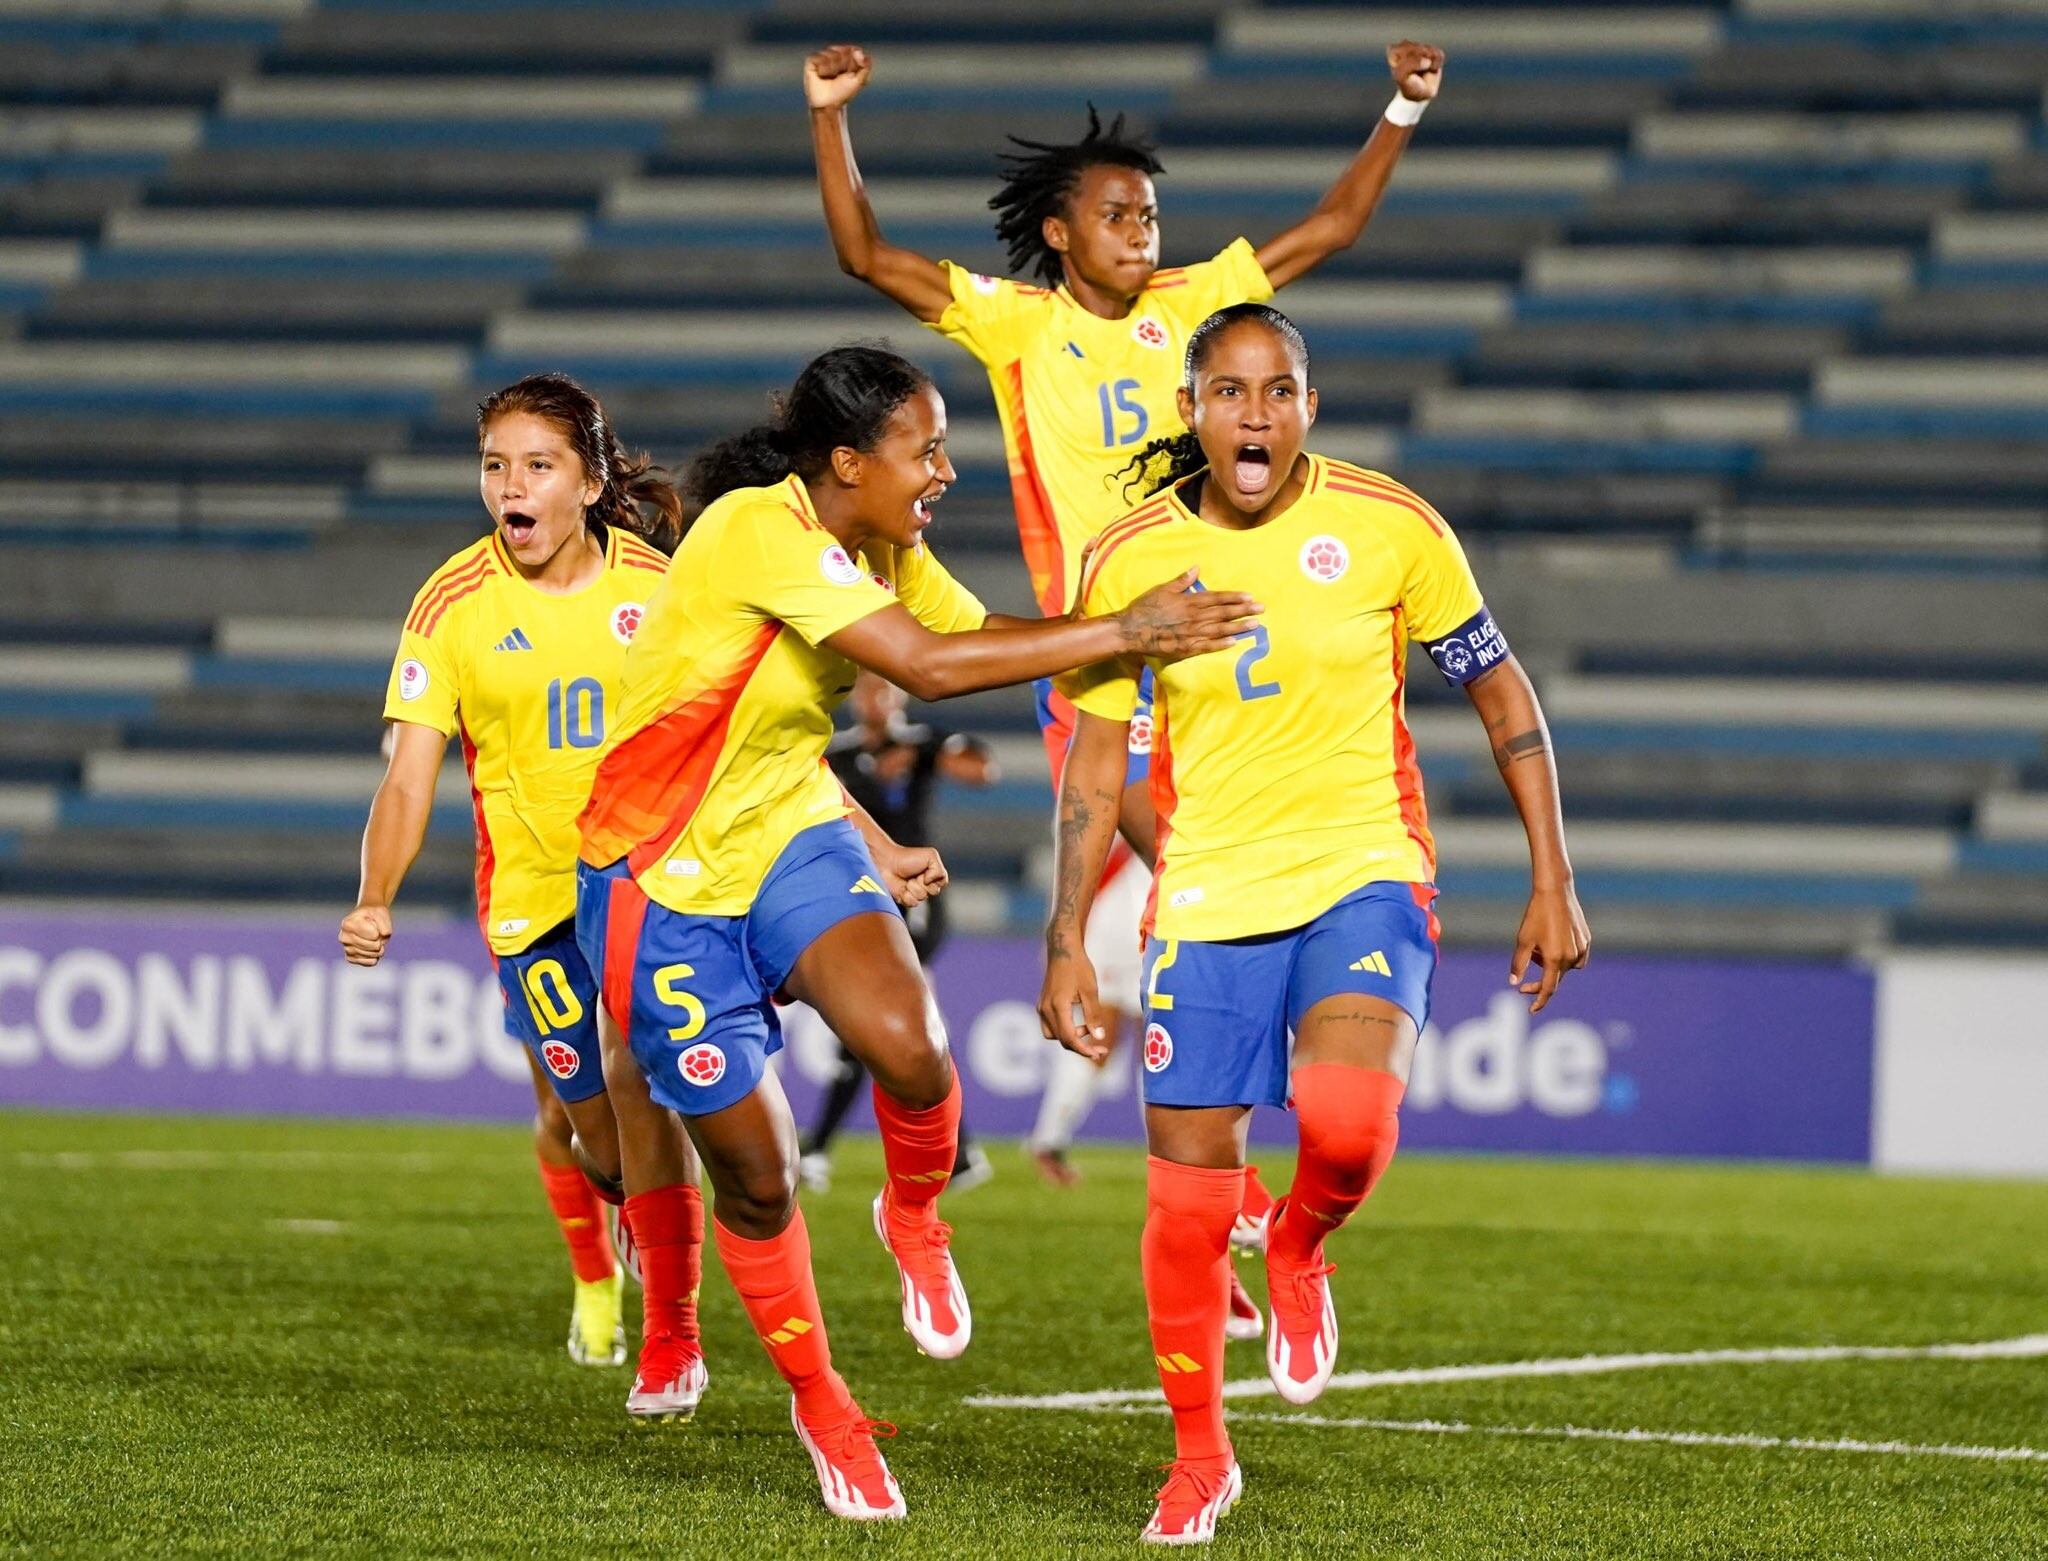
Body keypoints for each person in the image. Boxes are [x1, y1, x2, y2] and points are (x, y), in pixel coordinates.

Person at [572, 344, 1259, 1522]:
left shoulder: (880, 542)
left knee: (913, 1047)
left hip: (791, 833)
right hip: (656, 877)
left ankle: (914, 1215)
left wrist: (1110, 630)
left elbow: (976, 629)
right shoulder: (753, 530)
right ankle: (824, 1406)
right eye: (922, 449)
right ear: (845, 463)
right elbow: (932, 668)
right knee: (754, 1174)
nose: (943, 469)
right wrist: (1124, 631)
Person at [806, 36, 1443, 1290]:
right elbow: (863, 256)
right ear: (1057, 231)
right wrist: (828, 119)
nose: (1140, 231)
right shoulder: (1014, 323)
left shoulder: (1201, 305)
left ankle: (1245, 1177)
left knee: (1230, 898)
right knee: (1195, 878)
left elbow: (1334, 225)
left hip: (1216, 657)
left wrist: (1400, 108)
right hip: (1106, 663)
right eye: (1114, 214)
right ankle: (1238, 1191)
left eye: (1148, 212)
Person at [1038, 304, 1590, 1544]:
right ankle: (1197, 1458)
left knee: (1344, 1127)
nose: (1253, 413)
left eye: (1276, 389)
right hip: (1210, 894)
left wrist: (1550, 873)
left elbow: (1497, 686)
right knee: (1181, 1208)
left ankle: (1296, 1243)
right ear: (1190, 409)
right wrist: (1067, 932)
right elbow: (1089, 763)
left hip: (1363, 869)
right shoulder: (1132, 559)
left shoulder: (1393, 527)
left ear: (1308, 405)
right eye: (1227, 391)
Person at [338, 373, 712, 1417]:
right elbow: (409, 772)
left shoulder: (657, 582)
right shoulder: (450, 601)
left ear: (589, 482)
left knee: (638, 1085)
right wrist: (375, 896)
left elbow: (726, 725)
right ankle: (619, 1230)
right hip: (533, 902)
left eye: (538, 464)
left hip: (645, 881)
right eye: (495, 465)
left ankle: (670, 1339)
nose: (512, 484)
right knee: (588, 1130)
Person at [798, 670, 998, 1196]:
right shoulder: (832, 755)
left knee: (871, 1023)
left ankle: (816, 1149)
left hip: (913, 900)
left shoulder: (924, 743)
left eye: (884, 690)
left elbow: (982, 770)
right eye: (866, 690)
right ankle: (960, 1153)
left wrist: (933, 757)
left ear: (900, 697)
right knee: (905, 1029)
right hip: (855, 894)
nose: (875, 700)